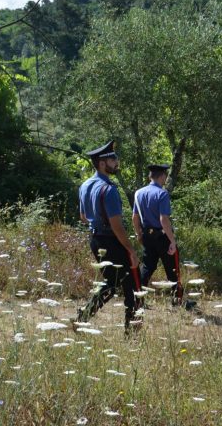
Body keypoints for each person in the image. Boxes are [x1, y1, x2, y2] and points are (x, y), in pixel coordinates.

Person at [75, 140, 142, 330]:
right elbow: (117, 225)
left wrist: (98, 221)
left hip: (95, 240)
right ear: (102, 163)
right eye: (113, 159)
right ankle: (132, 328)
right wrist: (130, 250)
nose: (117, 162)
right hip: (112, 240)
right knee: (130, 284)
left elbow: (83, 217)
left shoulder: (85, 185)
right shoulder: (110, 190)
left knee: (111, 283)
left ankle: (84, 316)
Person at [132, 164, 183, 305]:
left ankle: (138, 299)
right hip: (162, 236)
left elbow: (135, 217)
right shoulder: (162, 193)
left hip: (147, 236)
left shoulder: (138, 193)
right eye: (165, 176)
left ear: (150, 176)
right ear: (162, 176)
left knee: (147, 267)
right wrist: (172, 240)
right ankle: (177, 300)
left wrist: (138, 234)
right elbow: (163, 219)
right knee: (173, 268)